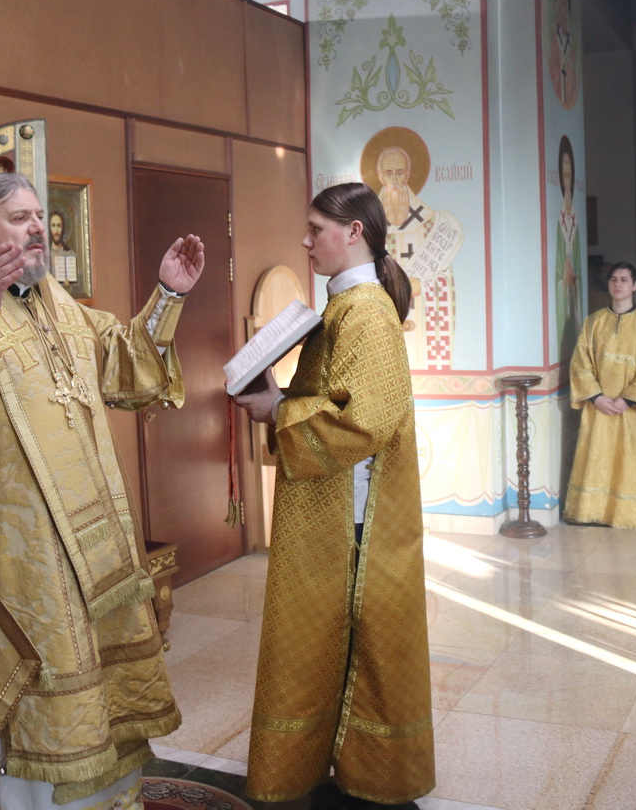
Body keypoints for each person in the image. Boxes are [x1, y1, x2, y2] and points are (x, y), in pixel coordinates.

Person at [0, 172, 203, 808]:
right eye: (18, 218)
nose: (37, 229)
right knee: (41, 700)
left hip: (98, 549)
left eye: (38, 217)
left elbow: (126, 364)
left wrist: (167, 294)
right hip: (22, 564)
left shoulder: (58, 307)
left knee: (105, 693)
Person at [235, 182, 434, 810]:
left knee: (346, 637)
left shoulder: (366, 311)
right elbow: (336, 399)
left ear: (355, 232)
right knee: (325, 638)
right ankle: (329, 761)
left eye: (317, 228)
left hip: (348, 515)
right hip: (328, 504)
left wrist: (277, 411)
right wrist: (280, 396)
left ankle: (368, 774)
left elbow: (366, 419)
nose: (306, 240)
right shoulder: (344, 306)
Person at [564, 262, 636, 529]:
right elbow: (580, 363)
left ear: (635, 285)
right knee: (597, 456)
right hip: (599, 406)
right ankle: (592, 511)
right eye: (613, 280)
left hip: (632, 409)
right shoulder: (594, 321)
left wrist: (628, 399)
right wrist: (597, 397)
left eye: (624, 279)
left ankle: (628, 515)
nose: (617, 284)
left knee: (629, 460)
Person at [375, 144, 461, 370]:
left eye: (400, 173)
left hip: (422, 327)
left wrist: (422, 285)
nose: (394, 180)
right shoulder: (369, 226)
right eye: (389, 174)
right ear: (380, 177)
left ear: (409, 175)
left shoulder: (430, 222)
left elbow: (445, 277)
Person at [555, 135, 583, 360]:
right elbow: (557, 261)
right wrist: (563, 276)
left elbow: (578, 258)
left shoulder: (575, 215)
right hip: (565, 284)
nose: (566, 176)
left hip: (572, 286)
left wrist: (574, 276)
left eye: (569, 172)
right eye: (563, 172)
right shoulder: (559, 218)